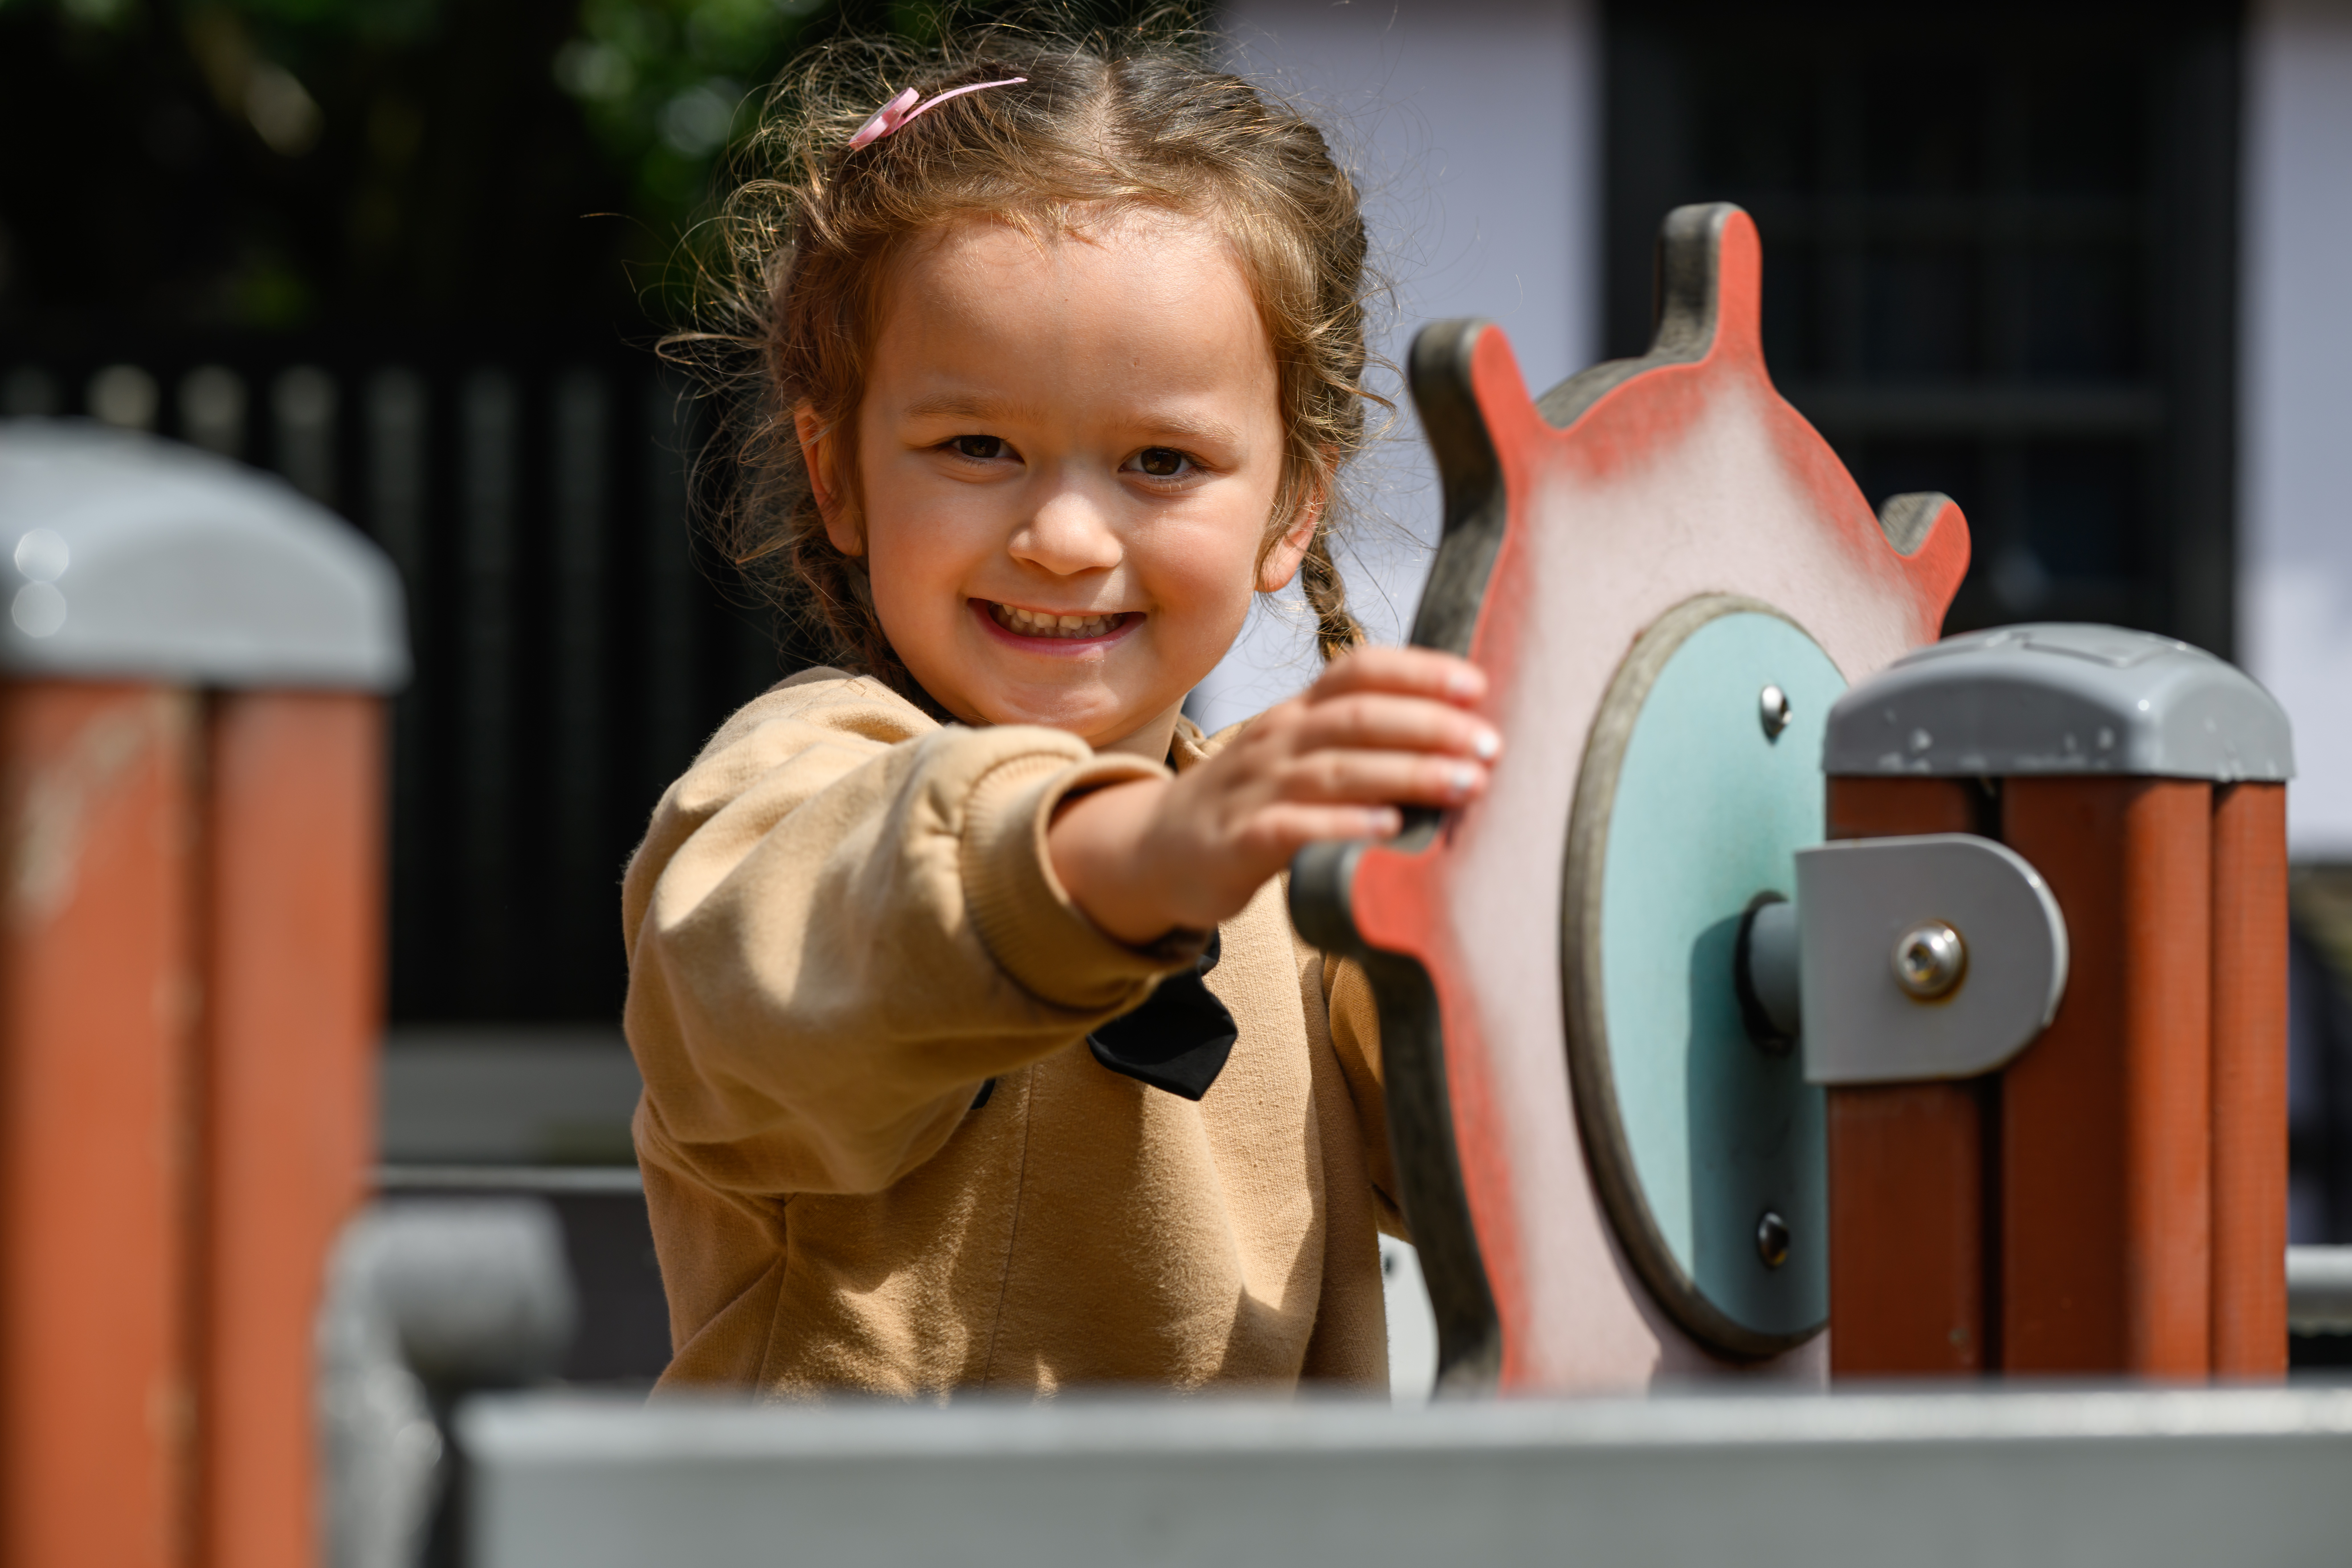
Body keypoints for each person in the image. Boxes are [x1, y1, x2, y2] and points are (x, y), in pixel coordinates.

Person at [624, 22, 1499, 1398]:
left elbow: (1495, 1145)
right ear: (837, 473)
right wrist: (1129, 861)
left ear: (1291, 507)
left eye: (1163, 460)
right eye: (978, 446)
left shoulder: (1301, 883)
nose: (1066, 538)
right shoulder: (792, 785)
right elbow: (804, 951)